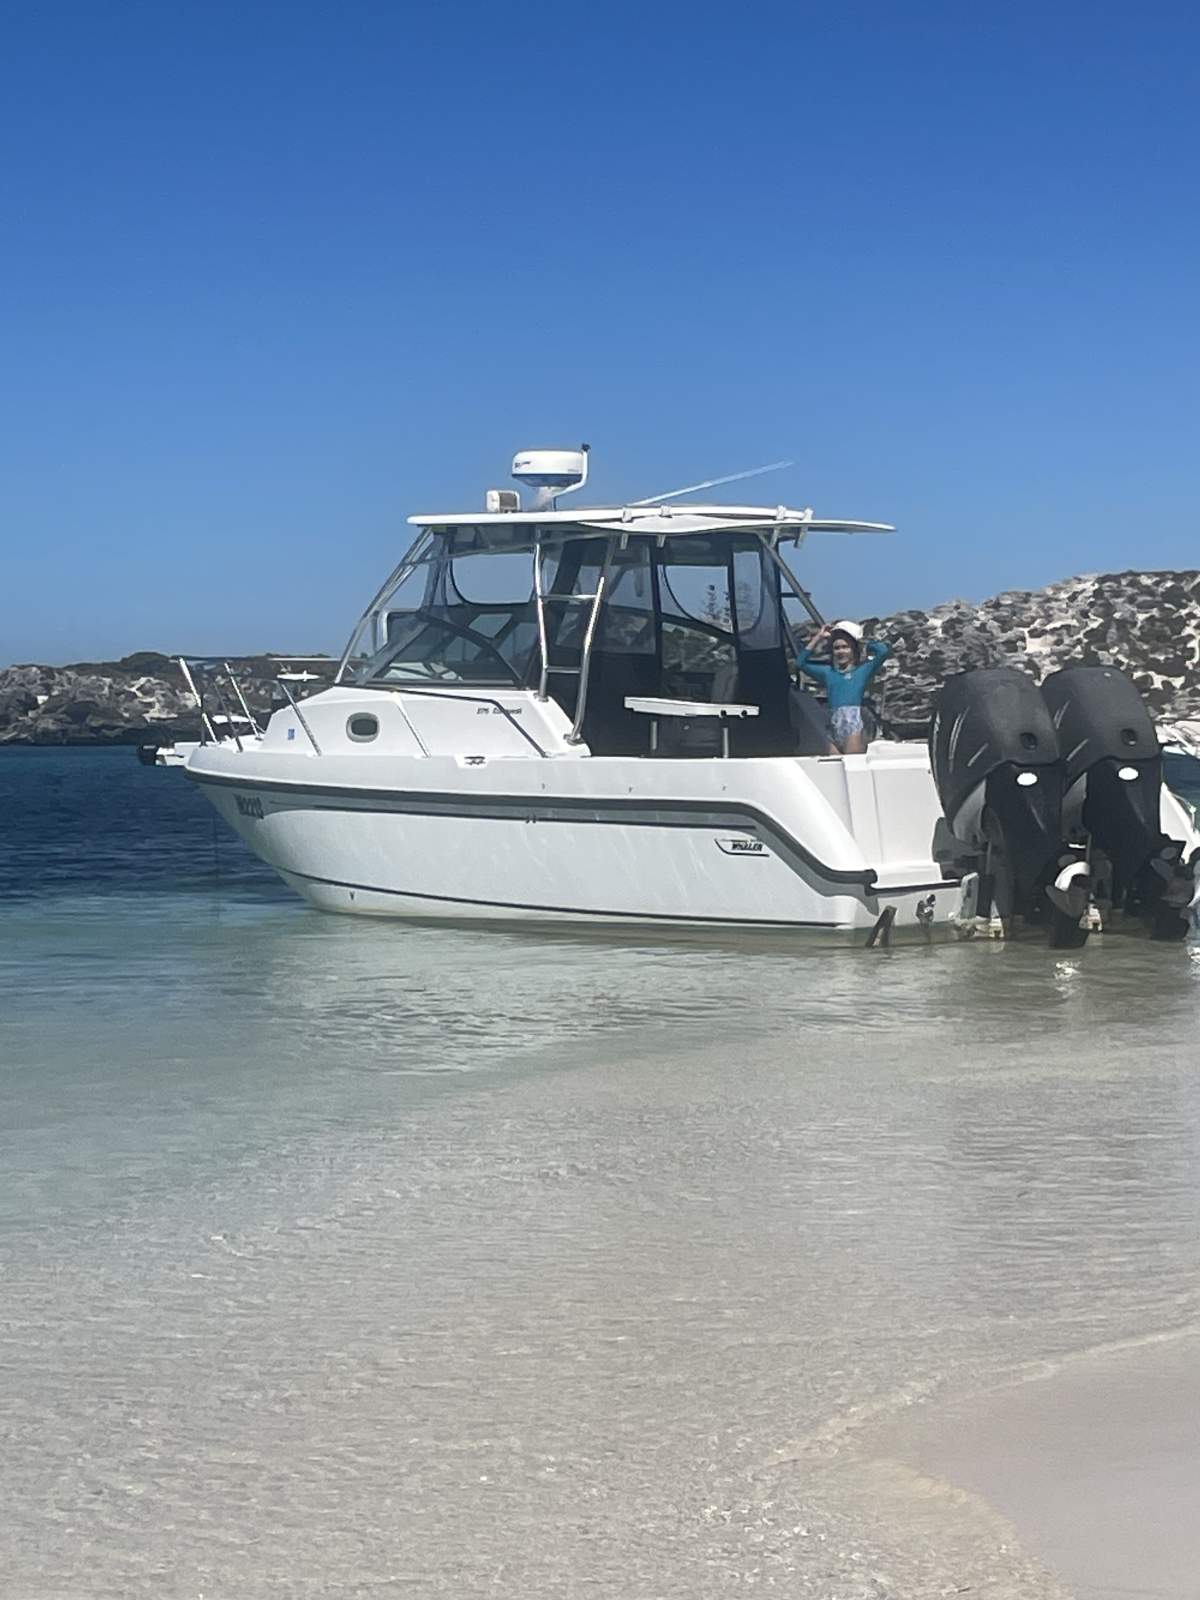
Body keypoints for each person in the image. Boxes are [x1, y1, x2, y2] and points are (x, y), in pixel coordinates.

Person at [795, 620, 892, 754]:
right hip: (833, 725)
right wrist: (819, 637)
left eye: (845, 647)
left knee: (852, 767)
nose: (841, 651)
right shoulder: (828, 673)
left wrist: (862, 639)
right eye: (837, 648)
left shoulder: (862, 671)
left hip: (852, 726)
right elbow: (800, 663)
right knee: (833, 770)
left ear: (853, 649)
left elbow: (883, 651)